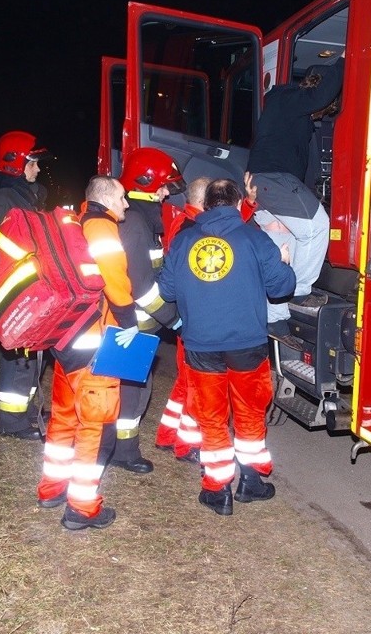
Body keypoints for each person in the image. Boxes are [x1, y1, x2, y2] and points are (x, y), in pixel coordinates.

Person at [158, 179, 296, 516]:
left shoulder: (185, 239)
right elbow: (282, 287)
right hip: (247, 343)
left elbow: (167, 290)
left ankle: (218, 492)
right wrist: (285, 262)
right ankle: (251, 481)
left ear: (205, 205)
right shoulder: (254, 238)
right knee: (249, 414)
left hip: (201, 345)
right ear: (237, 204)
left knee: (211, 418)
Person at [36, 175, 137, 530]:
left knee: (64, 419)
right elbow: (114, 280)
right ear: (106, 198)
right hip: (94, 346)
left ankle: (51, 489)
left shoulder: (75, 225)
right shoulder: (102, 229)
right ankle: (81, 508)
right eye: (122, 197)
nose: (126, 203)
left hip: (66, 342)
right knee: (97, 429)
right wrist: (129, 321)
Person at [155, 173, 258, 462]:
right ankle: (186, 445)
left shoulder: (187, 225)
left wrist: (247, 203)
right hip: (194, 322)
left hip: (190, 320)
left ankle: (166, 436)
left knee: (185, 383)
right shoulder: (190, 230)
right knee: (193, 388)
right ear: (204, 203)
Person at [246, 52, 346, 339]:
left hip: (265, 181)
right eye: (323, 109)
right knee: (317, 227)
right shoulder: (287, 97)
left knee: (282, 240)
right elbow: (320, 96)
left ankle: (274, 321)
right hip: (274, 178)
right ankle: (299, 291)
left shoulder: (288, 113)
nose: (319, 114)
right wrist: (343, 60)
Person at [109, 147, 185, 474]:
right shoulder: (137, 225)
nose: (167, 193)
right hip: (129, 327)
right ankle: (123, 453)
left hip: (139, 327)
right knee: (130, 395)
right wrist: (176, 320)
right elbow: (141, 288)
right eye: (164, 187)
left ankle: (120, 448)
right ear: (145, 183)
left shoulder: (143, 221)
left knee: (136, 390)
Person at [0, 130, 53, 440]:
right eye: (32, 162)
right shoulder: (4, 201)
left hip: (33, 290)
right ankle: (11, 422)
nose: (37, 169)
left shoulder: (25, 197)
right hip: (16, 293)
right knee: (17, 359)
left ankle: (24, 411)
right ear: (15, 164)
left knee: (30, 356)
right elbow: (0, 255)